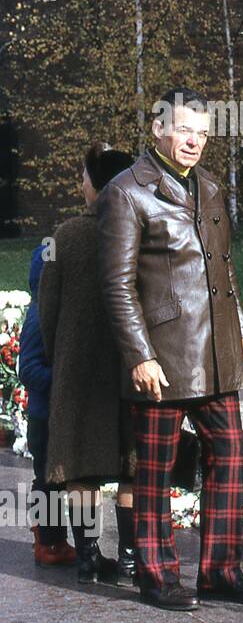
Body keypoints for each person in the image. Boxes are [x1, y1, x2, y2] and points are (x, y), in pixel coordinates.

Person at [98, 87, 243, 611]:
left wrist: (240, 332)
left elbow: (224, 273)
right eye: (183, 129)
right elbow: (116, 285)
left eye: (202, 131)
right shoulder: (127, 192)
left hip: (218, 353)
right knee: (154, 469)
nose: (194, 140)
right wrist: (139, 356)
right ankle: (158, 576)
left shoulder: (213, 190)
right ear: (157, 130)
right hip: (164, 357)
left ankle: (220, 570)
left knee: (230, 455)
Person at [39, 145, 138, 584]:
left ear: (97, 185)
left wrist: (62, 353)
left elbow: (47, 311)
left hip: (78, 370)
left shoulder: (63, 238)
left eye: (84, 176)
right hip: (132, 366)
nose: (80, 183)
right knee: (132, 462)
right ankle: (134, 557)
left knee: (81, 468)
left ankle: (89, 557)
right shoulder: (141, 230)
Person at [18, 240, 74, 567]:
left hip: (55, 413)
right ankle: (47, 542)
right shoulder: (38, 316)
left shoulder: (54, 312)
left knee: (56, 479)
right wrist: (63, 380)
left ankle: (56, 539)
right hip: (43, 415)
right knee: (47, 480)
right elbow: (29, 369)